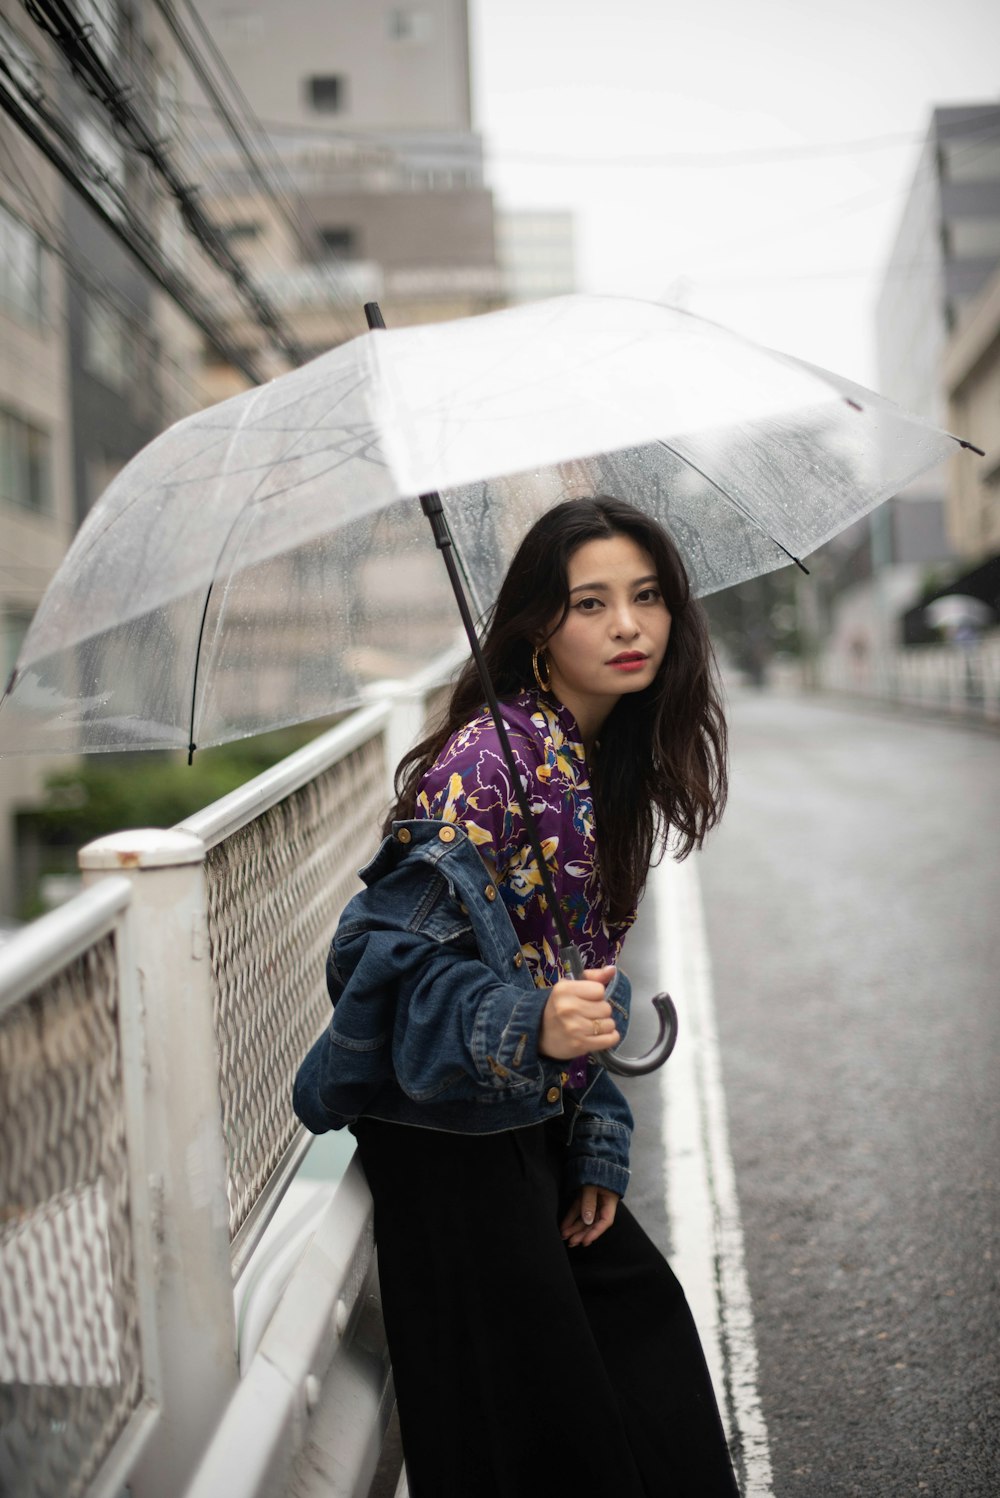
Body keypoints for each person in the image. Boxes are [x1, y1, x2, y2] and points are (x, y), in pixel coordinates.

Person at [294, 496, 738, 1497]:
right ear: (540, 626)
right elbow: (373, 974)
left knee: (640, 1365)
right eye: (591, 603)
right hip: (446, 1150)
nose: (629, 625)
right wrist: (530, 1021)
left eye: (647, 596)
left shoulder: (591, 757)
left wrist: (591, 1128)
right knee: (538, 1443)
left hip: (519, 1121)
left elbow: (563, 968)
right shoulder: (487, 767)